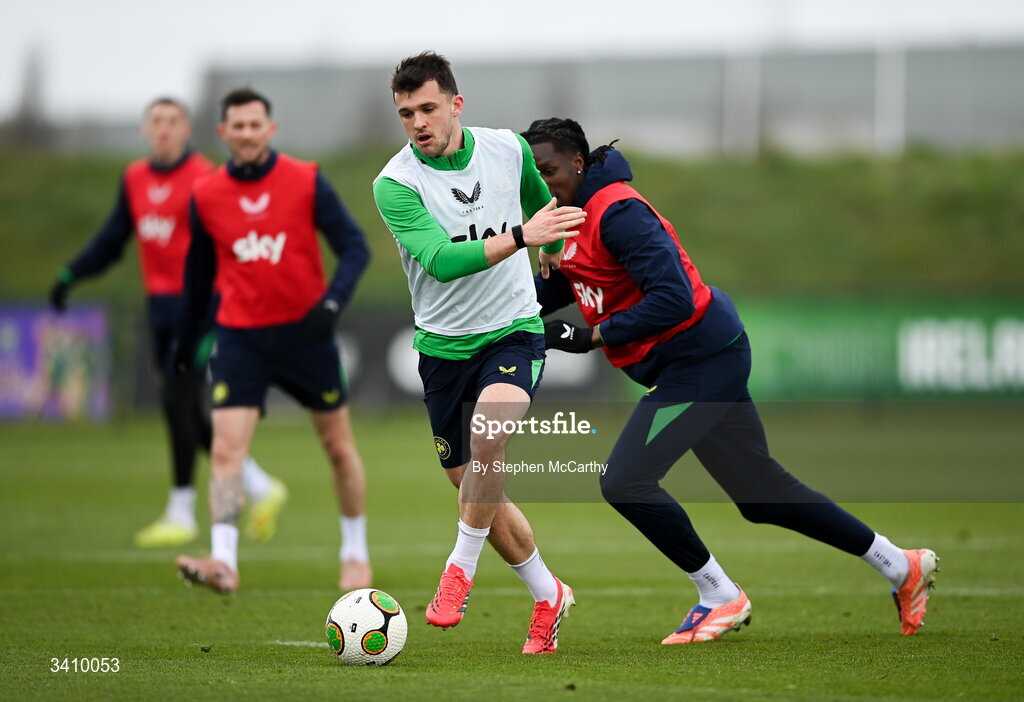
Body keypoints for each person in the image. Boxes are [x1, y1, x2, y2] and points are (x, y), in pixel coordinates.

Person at [523, 117, 939, 643]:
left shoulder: (618, 212)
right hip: (697, 360)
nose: (544, 181)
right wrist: (520, 288)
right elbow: (564, 291)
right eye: (534, 174)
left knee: (625, 481)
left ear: (578, 163)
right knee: (761, 495)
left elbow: (672, 298)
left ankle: (720, 595)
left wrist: (590, 338)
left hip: (700, 361)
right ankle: (902, 566)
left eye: (551, 169)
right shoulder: (565, 217)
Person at [372, 53, 587, 654]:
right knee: (475, 487)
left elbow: (545, 200)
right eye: (406, 112)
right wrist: (526, 237)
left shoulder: (507, 150)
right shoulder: (395, 184)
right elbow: (440, 262)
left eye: (428, 108)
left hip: (514, 330)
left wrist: (553, 247)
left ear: (456, 105)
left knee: (491, 436)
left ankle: (457, 571)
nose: (417, 122)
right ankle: (548, 595)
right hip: (443, 348)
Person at [48, 97, 283, 549]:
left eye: (172, 121)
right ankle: (257, 484)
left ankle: (183, 510)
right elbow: (113, 238)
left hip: (200, 309)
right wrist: (72, 273)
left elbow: (238, 242)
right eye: (155, 120)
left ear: (187, 129)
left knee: (180, 401)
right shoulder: (134, 178)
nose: (163, 129)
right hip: (158, 309)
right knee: (184, 408)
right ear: (144, 129)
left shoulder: (205, 178)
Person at [173, 88, 372, 594]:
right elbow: (198, 279)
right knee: (226, 451)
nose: (245, 133)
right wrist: (186, 343)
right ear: (223, 133)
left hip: (307, 337)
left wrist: (332, 303)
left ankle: (355, 552)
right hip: (241, 340)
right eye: (235, 126)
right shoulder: (206, 194)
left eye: (253, 124)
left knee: (338, 448)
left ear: (270, 129)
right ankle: (224, 561)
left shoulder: (306, 180)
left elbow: (354, 247)